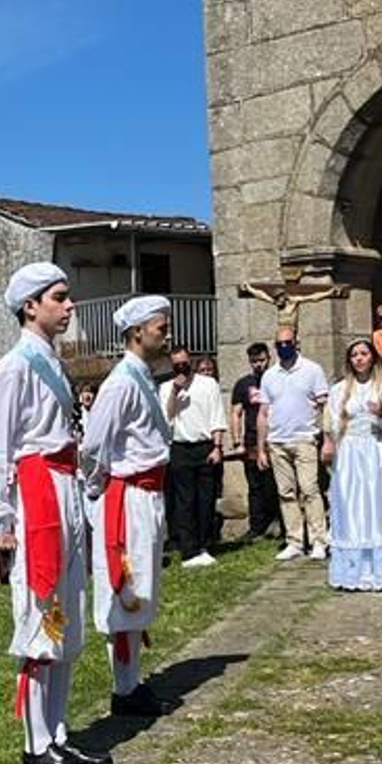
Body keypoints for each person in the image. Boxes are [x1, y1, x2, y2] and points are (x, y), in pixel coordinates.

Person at [0, 263, 106, 764]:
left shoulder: (48, 359)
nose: (69, 305)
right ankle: (35, 742)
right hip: (37, 493)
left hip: (64, 486)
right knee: (40, 611)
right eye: (59, 297)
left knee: (65, 612)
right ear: (31, 306)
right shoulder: (15, 366)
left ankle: (57, 731)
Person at [80, 294, 174, 716]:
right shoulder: (120, 382)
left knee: (144, 584)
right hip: (128, 496)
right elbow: (95, 443)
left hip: (148, 494)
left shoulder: (142, 378)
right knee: (127, 587)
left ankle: (132, 678)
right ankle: (125, 687)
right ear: (138, 332)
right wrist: (99, 490)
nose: (167, 334)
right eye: (160, 327)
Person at [322, 339, 382, 591]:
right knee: (352, 507)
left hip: (377, 451)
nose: (359, 358)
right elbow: (333, 425)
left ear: (373, 357)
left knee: (378, 505)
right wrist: (335, 433)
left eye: (364, 354)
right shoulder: (339, 389)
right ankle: (354, 571)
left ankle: (381, 571)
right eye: (354, 355)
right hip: (350, 453)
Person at [257, 322, 330, 561]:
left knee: (310, 490)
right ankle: (295, 540)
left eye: (288, 343)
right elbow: (263, 412)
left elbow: (324, 405)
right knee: (286, 493)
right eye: (279, 344)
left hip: (304, 439)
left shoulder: (312, 370)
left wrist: (327, 436)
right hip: (277, 441)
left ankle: (319, 540)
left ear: (296, 343)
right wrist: (261, 447)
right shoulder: (269, 375)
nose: (284, 347)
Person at [161, 344, 227, 569]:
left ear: (190, 362)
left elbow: (217, 415)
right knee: (184, 501)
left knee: (206, 499)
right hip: (180, 447)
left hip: (204, 445)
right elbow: (166, 417)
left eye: (185, 363)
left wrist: (217, 446)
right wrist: (174, 393)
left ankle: (204, 543)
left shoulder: (208, 384)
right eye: (177, 364)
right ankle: (189, 549)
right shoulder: (166, 388)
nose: (182, 367)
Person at [230, 343, 280, 542]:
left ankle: (278, 522)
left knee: (276, 484)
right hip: (251, 441)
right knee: (255, 486)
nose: (258, 365)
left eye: (261, 360)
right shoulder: (244, 384)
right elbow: (236, 413)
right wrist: (236, 441)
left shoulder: (277, 379)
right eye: (254, 361)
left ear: (269, 357)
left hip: (276, 438)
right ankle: (257, 526)